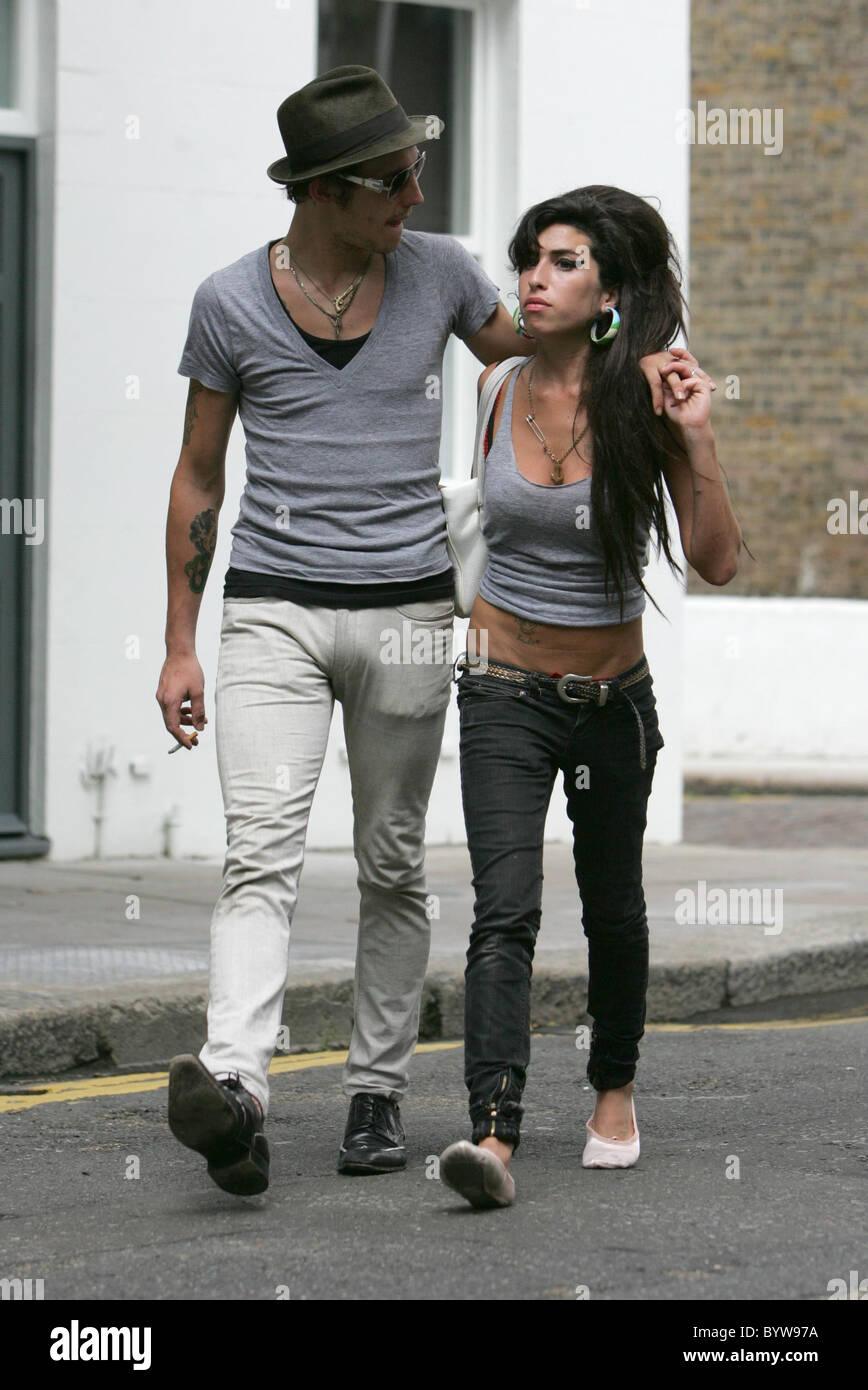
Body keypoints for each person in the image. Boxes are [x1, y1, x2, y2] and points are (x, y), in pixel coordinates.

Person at [156, 66, 704, 1196]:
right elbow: (197, 473)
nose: (417, 195)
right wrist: (177, 638)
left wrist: (650, 363)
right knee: (259, 849)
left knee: (393, 862)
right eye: (397, 179)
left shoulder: (446, 274)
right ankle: (237, 1087)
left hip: (410, 609)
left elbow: (556, 352)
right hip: (272, 607)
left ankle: (376, 1090)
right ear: (327, 190)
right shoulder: (226, 303)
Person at [438, 185, 743, 1210]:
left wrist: (696, 440)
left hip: (612, 695)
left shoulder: (645, 396)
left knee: (612, 908)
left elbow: (719, 561)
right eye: (529, 257)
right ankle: (492, 1132)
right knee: (503, 912)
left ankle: (613, 1086)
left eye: (562, 261)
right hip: (502, 689)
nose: (532, 276)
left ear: (608, 286)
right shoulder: (495, 386)